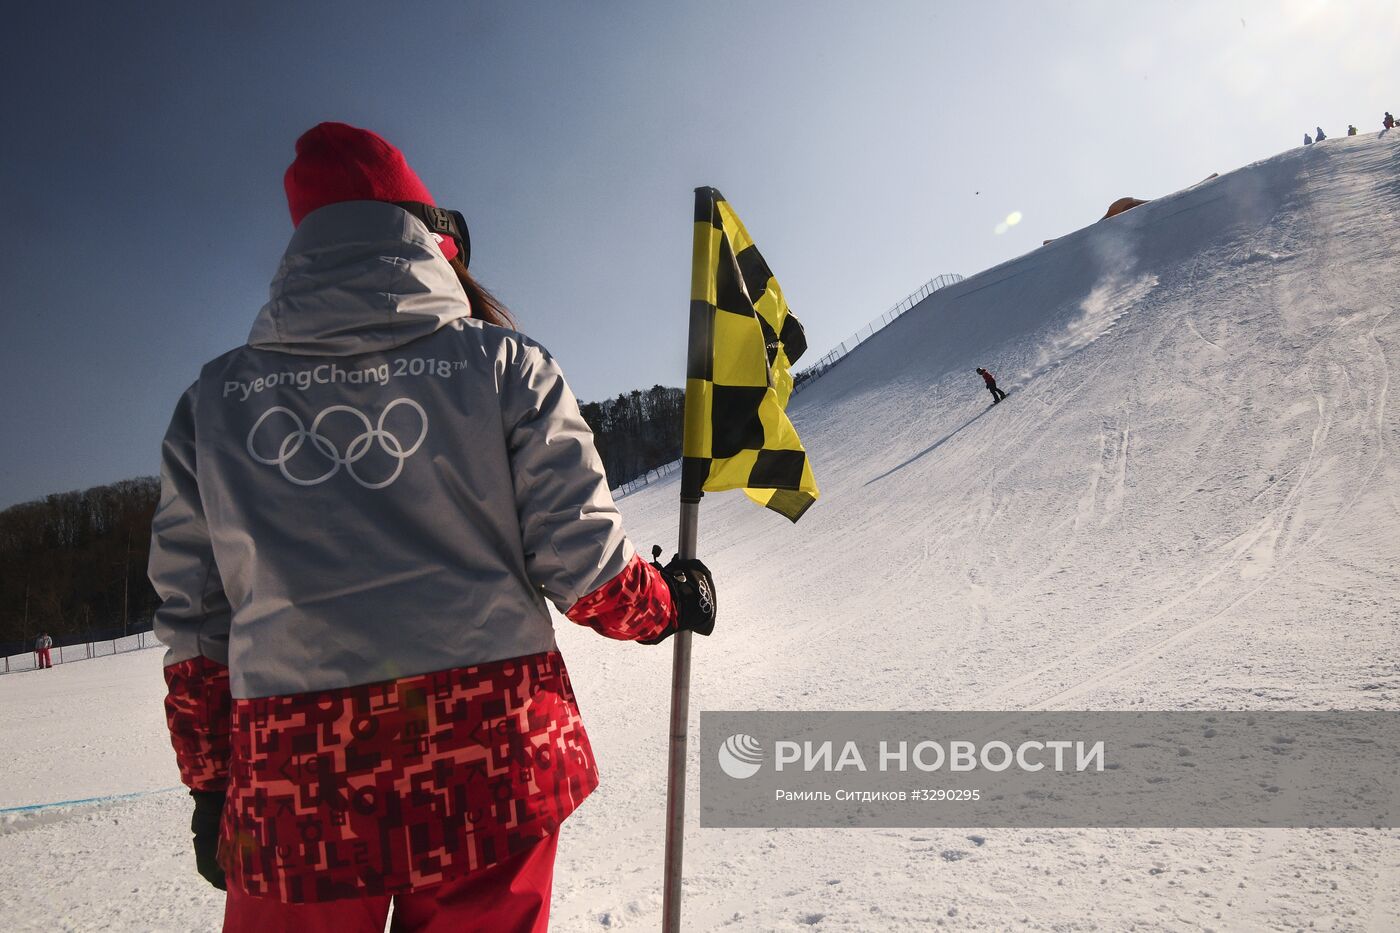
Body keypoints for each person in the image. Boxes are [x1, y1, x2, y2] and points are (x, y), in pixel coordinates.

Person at [149, 122, 718, 932]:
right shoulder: (505, 366)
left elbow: (196, 624)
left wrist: (211, 781)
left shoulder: (213, 405)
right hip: (489, 761)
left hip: (298, 783)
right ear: (429, 236)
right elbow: (586, 565)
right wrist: (665, 602)